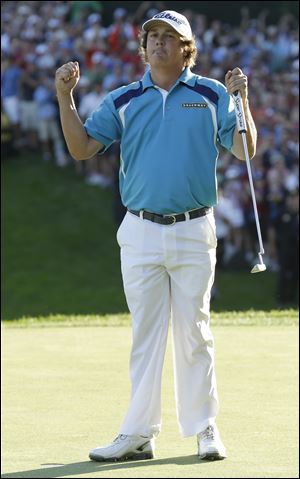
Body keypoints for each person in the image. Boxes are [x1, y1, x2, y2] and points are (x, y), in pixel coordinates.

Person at [55, 10, 257, 462]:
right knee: (146, 334)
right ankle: (138, 432)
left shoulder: (212, 94)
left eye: (171, 37)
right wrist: (64, 98)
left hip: (193, 228)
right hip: (141, 228)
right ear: (143, 48)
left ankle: (204, 426)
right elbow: (82, 148)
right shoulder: (124, 99)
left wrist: (243, 101)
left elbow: (245, 149)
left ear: (187, 48)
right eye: (153, 37)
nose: (160, 43)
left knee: (194, 332)